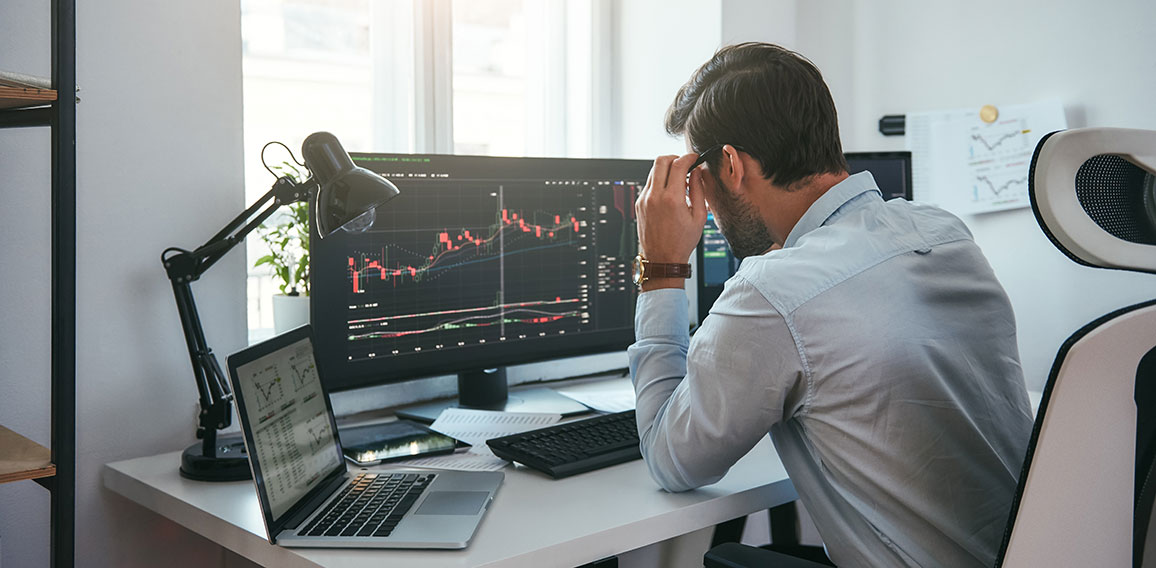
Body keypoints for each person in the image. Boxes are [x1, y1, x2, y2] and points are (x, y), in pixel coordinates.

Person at [628, 42, 1033, 567]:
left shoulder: (774, 293)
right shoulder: (942, 232)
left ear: (729, 164)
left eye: (697, 173)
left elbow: (670, 460)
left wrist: (661, 267)